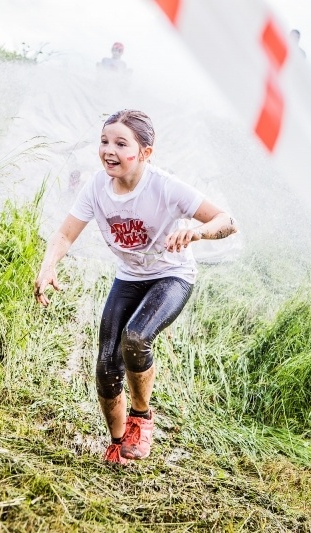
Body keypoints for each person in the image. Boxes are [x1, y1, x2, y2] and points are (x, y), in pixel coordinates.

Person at [33, 110, 238, 465]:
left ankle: (141, 419)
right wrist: (47, 265)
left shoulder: (164, 186)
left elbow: (227, 221)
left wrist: (198, 231)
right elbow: (65, 233)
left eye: (121, 144)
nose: (109, 150)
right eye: (104, 141)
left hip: (172, 275)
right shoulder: (96, 187)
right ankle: (118, 443)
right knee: (105, 364)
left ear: (145, 152)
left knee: (136, 337)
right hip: (129, 277)